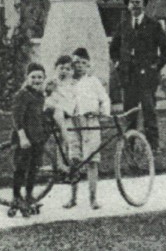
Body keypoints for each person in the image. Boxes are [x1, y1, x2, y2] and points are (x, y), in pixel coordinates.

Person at [109, 0, 166, 153]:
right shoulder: (123, 26)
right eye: (132, 2)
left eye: (138, 2)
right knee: (129, 113)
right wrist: (117, 63)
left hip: (147, 78)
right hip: (128, 78)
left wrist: (156, 67)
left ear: (144, 5)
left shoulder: (153, 25)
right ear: (128, 6)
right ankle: (128, 146)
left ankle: (153, 146)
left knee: (148, 111)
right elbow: (113, 48)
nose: (135, 5)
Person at [64, 47, 111, 210]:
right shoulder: (67, 82)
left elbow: (104, 99)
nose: (80, 66)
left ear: (88, 65)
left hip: (90, 122)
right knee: (74, 158)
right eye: (77, 63)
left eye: (84, 63)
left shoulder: (93, 81)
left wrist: (103, 113)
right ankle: (73, 197)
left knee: (92, 159)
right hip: (72, 122)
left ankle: (93, 198)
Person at [11, 62, 48, 212]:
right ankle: (16, 197)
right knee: (21, 168)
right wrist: (22, 137)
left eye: (40, 77)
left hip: (37, 138)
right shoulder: (22, 95)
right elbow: (17, 117)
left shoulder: (39, 96)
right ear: (27, 78)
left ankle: (29, 196)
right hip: (24, 138)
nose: (37, 80)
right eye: (33, 77)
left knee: (33, 168)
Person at [44, 55, 77, 172]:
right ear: (55, 69)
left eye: (68, 69)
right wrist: (49, 88)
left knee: (61, 142)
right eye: (61, 68)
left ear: (72, 72)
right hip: (52, 108)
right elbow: (46, 93)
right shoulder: (53, 81)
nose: (64, 71)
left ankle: (61, 164)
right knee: (59, 112)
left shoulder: (73, 83)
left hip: (67, 111)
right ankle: (65, 134)